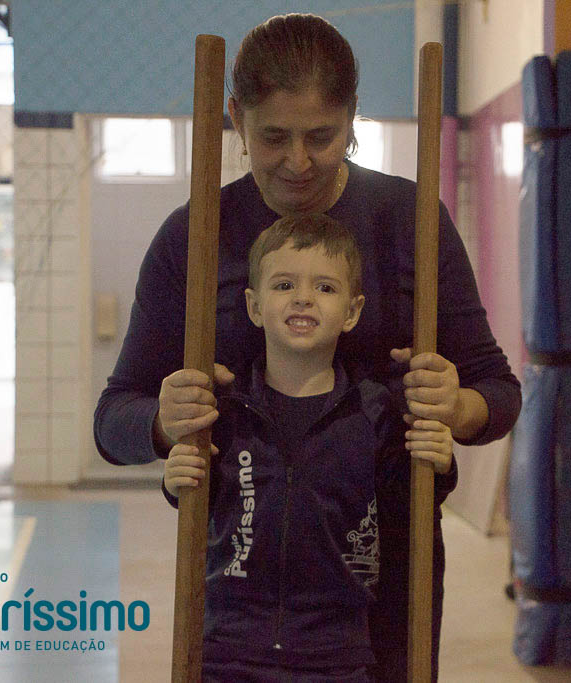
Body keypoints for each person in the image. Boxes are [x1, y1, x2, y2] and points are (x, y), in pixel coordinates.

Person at [94, 13, 521, 680]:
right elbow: (113, 419)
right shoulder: (195, 235)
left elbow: (499, 392)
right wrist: (161, 420)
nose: (298, 162)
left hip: (386, 573)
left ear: (351, 119)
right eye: (274, 137)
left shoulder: (411, 222)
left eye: (321, 136)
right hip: (237, 584)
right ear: (236, 119)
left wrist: (456, 405)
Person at [161, 213, 454, 679]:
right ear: (254, 307)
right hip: (229, 648)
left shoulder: (374, 413)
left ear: (352, 312)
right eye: (284, 285)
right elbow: (202, 504)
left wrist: (439, 463)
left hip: (337, 654)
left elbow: (408, 504)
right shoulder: (225, 412)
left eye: (325, 287)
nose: (303, 297)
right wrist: (175, 480)